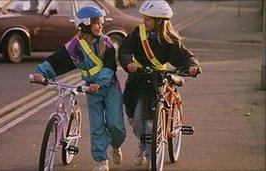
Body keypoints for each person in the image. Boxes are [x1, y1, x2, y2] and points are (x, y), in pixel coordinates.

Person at [32, 5, 126, 171]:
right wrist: (40, 73)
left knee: (115, 125)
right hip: (90, 89)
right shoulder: (75, 45)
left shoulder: (107, 42)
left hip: (110, 87)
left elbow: (110, 66)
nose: (100, 26)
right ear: (84, 24)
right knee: (97, 126)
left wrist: (100, 83)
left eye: (101, 23)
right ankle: (101, 161)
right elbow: (56, 61)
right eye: (96, 23)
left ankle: (116, 145)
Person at [118, 0, 201, 166]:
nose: (143, 21)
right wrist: (128, 63)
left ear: (159, 21)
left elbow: (184, 55)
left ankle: (151, 156)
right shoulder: (138, 33)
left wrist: (193, 65)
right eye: (144, 18)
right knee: (135, 119)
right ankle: (143, 145)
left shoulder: (169, 39)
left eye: (147, 19)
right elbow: (125, 49)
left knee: (150, 121)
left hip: (157, 82)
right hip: (138, 80)